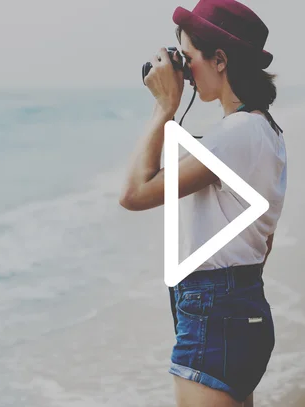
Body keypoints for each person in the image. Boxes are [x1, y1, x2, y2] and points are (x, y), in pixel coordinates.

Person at [119, 0, 287, 405]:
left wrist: (164, 106)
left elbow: (133, 193)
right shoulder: (264, 130)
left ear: (220, 60)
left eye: (188, 58)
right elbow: (263, 242)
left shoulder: (236, 134)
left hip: (215, 316)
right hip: (241, 308)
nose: (186, 73)